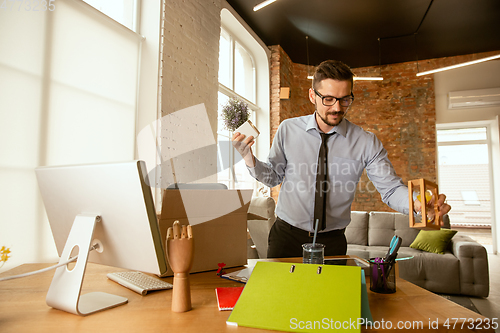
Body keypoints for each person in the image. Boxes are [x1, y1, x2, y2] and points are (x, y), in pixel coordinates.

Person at [232, 60, 451, 258]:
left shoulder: (366, 142)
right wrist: (248, 157)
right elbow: (273, 177)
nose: (337, 108)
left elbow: (391, 189)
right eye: (328, 99)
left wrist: (417, 204)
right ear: (312, 96)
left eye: (345, 100)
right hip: (286, 237)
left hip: (333, 243)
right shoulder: (288, 129)